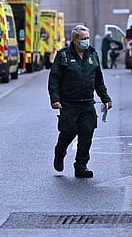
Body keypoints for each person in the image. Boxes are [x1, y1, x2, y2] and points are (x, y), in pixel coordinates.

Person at [48, 24, 113, 178]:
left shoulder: (93, 55)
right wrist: (55, 99)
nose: (86, 41)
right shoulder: (63, 55)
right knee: (68, 131)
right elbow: (54, 79)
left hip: (87, 103)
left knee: (87, 134)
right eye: (83, 39)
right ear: (75, 40)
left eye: (87, 38)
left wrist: (106, 98)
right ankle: (60, 151)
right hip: (69, 103)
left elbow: (98, 80)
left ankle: (81, 165)